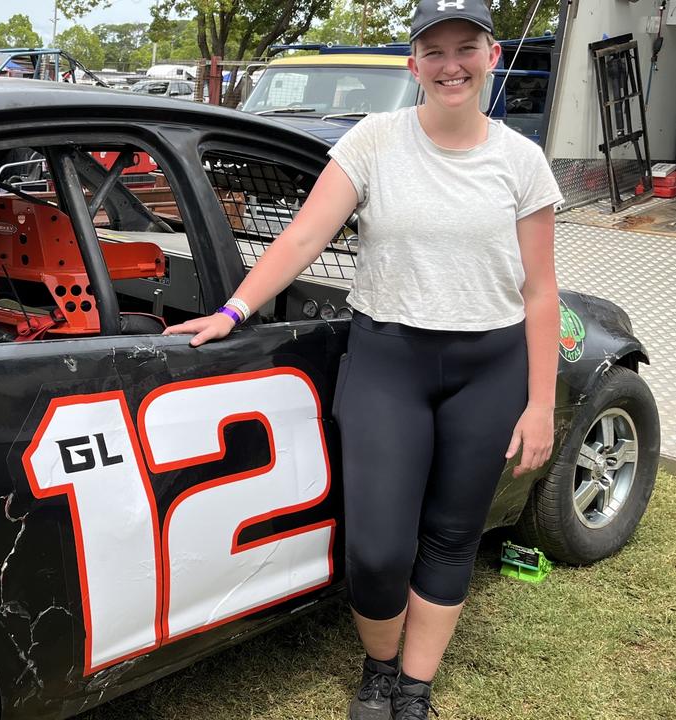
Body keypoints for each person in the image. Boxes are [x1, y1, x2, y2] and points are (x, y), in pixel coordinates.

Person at [163, 1, 563, 718]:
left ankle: (413, 687)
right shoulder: (375, 141)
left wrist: (540, 403)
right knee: (377, 550)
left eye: (464, 48)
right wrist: (231, 311)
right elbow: (298, 241)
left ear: (491, 56)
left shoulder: (521, 160)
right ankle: (379, 667)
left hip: (490, 367)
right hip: (389, 360)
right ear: (412, 62)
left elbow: (540, 291)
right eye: (433, 50)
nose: (450, 65)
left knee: (451, 535)